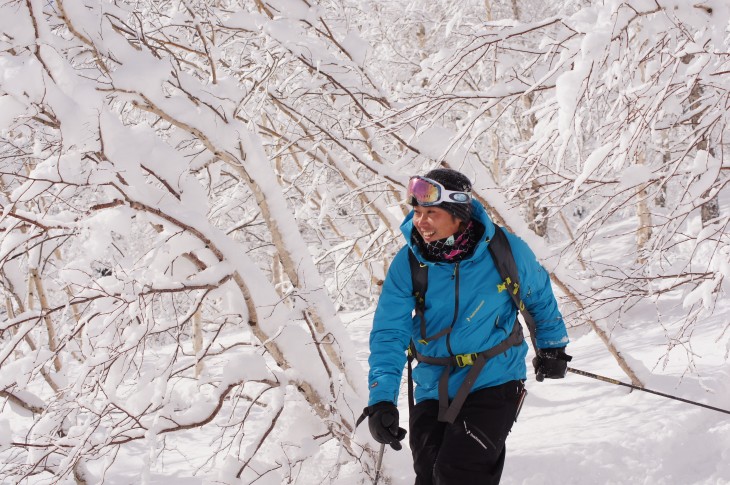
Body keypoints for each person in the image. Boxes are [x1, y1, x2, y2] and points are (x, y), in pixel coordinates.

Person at [365, 168, 571, 484]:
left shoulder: (505, 250)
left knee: (457, 473)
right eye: (417, 212)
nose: (421, 221)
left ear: (459, 214)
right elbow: (389, 333)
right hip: (433, 383)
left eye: (432, 212)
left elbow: (539, 296)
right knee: (429, 475)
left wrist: (552, 346)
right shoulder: (409, 262)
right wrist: (381, 399)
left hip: (495, 377)